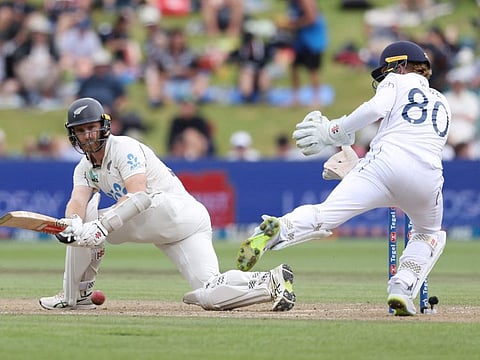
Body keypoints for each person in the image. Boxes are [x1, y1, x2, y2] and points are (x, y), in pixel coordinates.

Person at [236, 40, 451, 316]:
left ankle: (281, 227)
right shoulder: (443, 102)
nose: (384, 77)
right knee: (428, 234)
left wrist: (333, 131)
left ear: (400, 65)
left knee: (325, 214)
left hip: (383, 164)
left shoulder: (397, 81)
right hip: (427, 176)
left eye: (387, 70)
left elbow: (374, 110)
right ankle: (401, 287)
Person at [39, 97, 295, 312]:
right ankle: (270, 282)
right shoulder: (84, 168)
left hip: (175, 210)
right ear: (73, 134)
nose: (87, 135)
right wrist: (70, 223)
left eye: (91, 128)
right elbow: (78, 200)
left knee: (90, 225)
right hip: (177, 226)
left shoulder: (124, 147)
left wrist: (99, 227)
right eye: (80, 130)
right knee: (209, 293)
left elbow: (140, 195)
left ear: (104, 126)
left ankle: (75, 296)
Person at [277, 0, 328, 106]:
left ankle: (317, 99)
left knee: (312, 70)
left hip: (312, 39)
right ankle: (295, 98)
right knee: (294, 67)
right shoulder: (292, 3)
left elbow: (312, 18)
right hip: (299, 39)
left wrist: (293, 25)